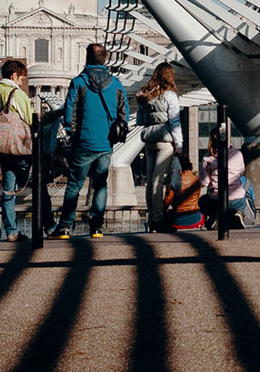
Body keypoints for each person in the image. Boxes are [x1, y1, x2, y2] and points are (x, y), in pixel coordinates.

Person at [53, 42, 128, 239]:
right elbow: (124, 114)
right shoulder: (117, 84)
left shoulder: (78, 82)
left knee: (74, 185)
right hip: (105, 144)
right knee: (100, 185)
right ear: (106, 58)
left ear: (86, 58)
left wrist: (71, 133)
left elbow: (69, 114)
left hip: (84, 141)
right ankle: (96, 228)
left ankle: (65, 228)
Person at [137, 61, 186, 232]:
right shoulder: (170, 95)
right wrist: (179, 145)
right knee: (158, 182)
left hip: (149, 140)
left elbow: (140, 120)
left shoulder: (146, 95)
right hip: (165, 141)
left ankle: (151, 218)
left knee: (150, 181)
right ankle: (158, 220)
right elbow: (174, 121)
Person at [0, 58, 34, 242]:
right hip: (19, 147)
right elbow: (29, 121)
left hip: (1, 148)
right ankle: (50, 226)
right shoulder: (18, 94)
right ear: (14, 76)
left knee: (8, 190)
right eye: (21, 78)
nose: (22, 82)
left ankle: (11, 231)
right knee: (38, 185)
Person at [199, 129, 253, 230]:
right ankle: (239, 213)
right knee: (243, 198)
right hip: (237, 197)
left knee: (202, 201)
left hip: (217, 199)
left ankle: (214, 216)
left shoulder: (207, 158)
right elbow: (241, 173)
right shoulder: (238, 154)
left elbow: (205, 182)